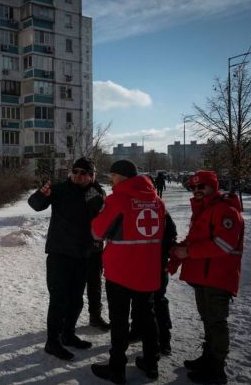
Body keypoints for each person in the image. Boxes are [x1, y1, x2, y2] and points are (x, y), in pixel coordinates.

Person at [90, 160, 168, 384]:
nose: (111, 180)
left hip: (121, 271)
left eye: (112, 175)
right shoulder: (157, 201)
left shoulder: (117, 200)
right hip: (148, 270)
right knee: (147, 317)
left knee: (119, 320)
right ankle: (151, 364)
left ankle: (117, 369)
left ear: (120, 176)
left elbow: (97, 232)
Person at [170, 170, 244, 384]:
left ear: (212, 186)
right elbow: (196, 238)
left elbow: (224, 244)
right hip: (204, 276)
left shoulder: (225, 209)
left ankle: (217, 368)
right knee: (208, 320)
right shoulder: (204, 208)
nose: (196, 190)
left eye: (201, 186)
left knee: (216, 322)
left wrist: (188, 252)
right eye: (193, 187)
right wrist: (177, 251)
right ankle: (208, 358)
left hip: (218, 277)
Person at [28, 157, 103, 361]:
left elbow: (101, 218)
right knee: (59, 299)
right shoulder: (59, 189)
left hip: (83, 254)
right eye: (75, 171)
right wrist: (40, 194)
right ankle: (52, 342)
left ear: (92, 176)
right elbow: (34, 205)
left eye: (83, 173)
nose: (78, 175)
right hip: (59, 254)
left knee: (76, 300)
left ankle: (68, 334)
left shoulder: (95, 193)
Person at [129, 211, 177, 356]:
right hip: (138, 262)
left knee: (158, 300)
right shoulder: (134, 206)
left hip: (157, 263)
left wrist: (163, 256)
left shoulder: (160, 210)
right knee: (138, 296)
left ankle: (164, 338)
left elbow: (170, 236)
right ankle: (137, 330)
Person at [85, 173, 110, 331]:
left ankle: (95, 316)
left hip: (95, 246)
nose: (82, 176)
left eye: (88, 173)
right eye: (77, 172)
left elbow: (105, 215)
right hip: (75, 246)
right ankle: (67, 318)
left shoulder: (99, 191)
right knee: (73, 285)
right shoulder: (72, 191)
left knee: (94, 283)